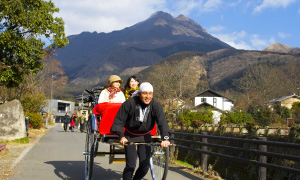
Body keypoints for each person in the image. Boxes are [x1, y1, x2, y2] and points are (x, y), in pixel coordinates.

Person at [110, 82, 171, 180]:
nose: (148, 96)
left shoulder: (156, 105)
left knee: (145, 166)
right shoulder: (129, 103)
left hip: (145, 137)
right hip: (130, 137)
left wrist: (165, 138)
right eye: (145, 93)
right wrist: (121, 136)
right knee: (131, 166)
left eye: (150, 94)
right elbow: (119, 121)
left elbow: (162, 122)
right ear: (139, 94)